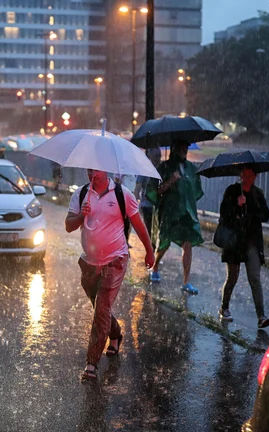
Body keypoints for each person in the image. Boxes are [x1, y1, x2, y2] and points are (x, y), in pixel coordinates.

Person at [66, 169, 155, 380]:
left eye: (95, 170)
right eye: (88, 170)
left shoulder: (122, 195)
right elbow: (69, 226)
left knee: (102, 307)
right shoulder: (80, 194)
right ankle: (115, 334)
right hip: (89, 263)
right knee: (101, 308)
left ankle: (91, 364)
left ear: (105, 170)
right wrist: (82, 214)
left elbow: (138, 224)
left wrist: (149, 251)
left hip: (115, 259)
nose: (91, 174)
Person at [146, 140, 204, 294]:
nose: (184, 149)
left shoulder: (191, 169)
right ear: (174, 148)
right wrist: (170, 181)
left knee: (188, 244)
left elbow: (195, 190)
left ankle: (186, 282)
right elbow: (156, 191)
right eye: (181, 147)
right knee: (164, 242)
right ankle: (155, 266)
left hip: (186, 213)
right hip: (168, 212)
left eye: (185, 147)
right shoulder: (164, 168)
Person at [218, 167, 269, 328]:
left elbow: (265, 215)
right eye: (243, 174)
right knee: (233, 277)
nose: (245, 178)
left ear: (255, 176)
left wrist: (250, 209)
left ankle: (261, 316)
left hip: (252, 241)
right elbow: (223, 213)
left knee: (254, 277)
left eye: (249, 175)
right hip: (234, 241)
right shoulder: (232, 191)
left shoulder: (258, 194)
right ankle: (224, 307)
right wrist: (236, 204)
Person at [134, 147, 162, 248]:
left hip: (158, 205)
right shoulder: (144, 170)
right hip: (146, 205)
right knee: (149, 229)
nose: (158, 158)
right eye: (156, 156)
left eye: (159, 156)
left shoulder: (161, 169)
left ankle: (153, 248)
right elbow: (138, 187)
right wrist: (133, 205)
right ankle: (151, 250)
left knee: (157, 229)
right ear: (150, 156)